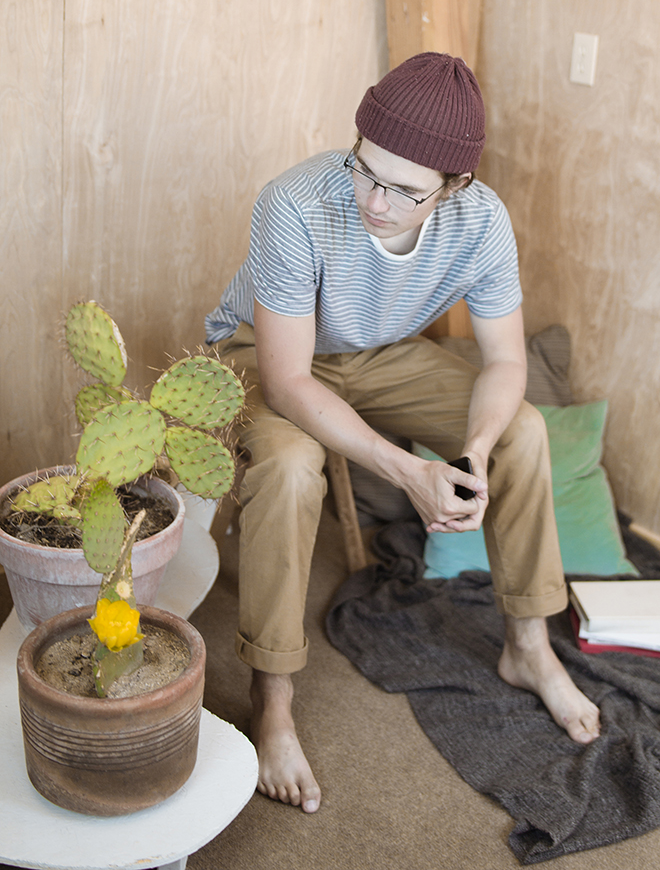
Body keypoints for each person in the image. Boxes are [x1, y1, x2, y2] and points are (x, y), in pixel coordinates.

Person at [205, 52, 600, 813]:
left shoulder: (482, 221)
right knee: (290, 470)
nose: (375, 201)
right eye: (365, 170)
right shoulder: (291, 202)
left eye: (405, 191)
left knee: (519, 430)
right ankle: (273, 697)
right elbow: (290, 380)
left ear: (455, 188)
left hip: (378, 354)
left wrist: (472, 455)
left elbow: (506, 360)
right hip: (269, 353)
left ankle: (528, 647)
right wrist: (406, 471)